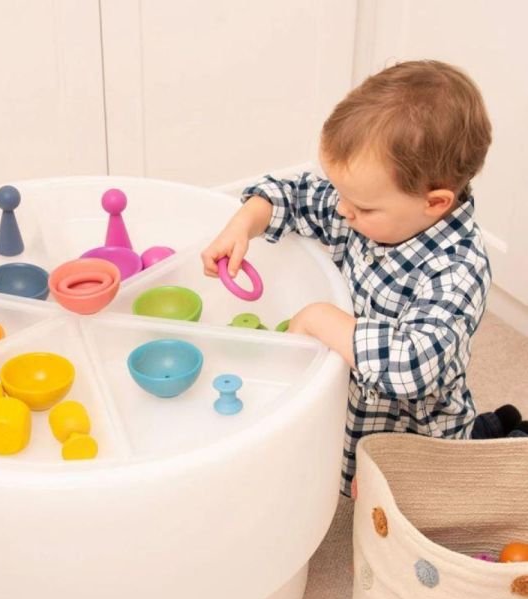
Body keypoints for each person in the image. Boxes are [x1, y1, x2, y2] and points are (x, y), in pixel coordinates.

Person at [200, 60, 520, 498]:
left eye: (363, 206)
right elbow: (292, 194)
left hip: (411, 443)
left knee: (440, 501)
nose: (342, 210)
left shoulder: (458, 268)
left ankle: (496, 440)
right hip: (350, 414)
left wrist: (319, 318)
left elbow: (414, 363)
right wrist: (243, 224)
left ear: (435, 203)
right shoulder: (364, 205)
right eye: (342, 194)